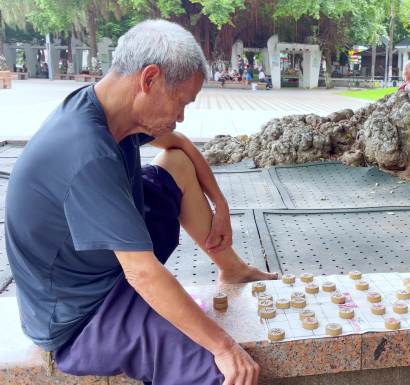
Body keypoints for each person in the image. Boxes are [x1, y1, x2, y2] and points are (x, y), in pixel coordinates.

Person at [5, 19, 277, 385]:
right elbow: (142, 273)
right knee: (217, 372)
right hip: (81, 315)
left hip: (100, 260)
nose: (181, 116)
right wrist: (224, 347)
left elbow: (180, 148)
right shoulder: (87, 152)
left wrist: (220, 204)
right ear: (149, 80)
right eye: (181, 102)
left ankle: (232, 268)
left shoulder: (109, 109)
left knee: (176, 167)